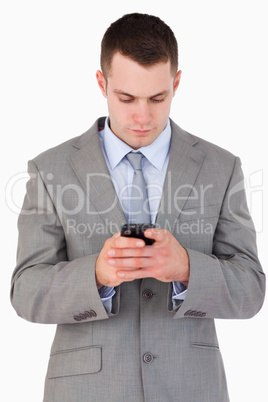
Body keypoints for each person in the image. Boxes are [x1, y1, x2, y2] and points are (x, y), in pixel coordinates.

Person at [11, 13, 265, 402]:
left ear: (176, 83)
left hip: (191, 387)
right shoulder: (51, 169)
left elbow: (251, 288)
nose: (142, 117)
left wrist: (186, 269)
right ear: (102, 83)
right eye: (126, 98)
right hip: (86, 391)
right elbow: (25, 290)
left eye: (157, 98)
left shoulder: (221, 166)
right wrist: (95, 274)